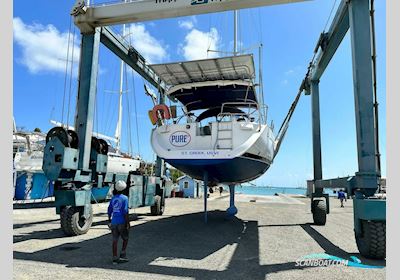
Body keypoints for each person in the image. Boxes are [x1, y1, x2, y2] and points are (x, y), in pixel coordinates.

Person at [108, 180, 130, 264]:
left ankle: (114, 258)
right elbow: (125, 211)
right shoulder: (125, 198)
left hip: (114, 222)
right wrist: (127, 222)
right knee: (125, 238)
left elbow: (109, 210)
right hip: (122, 222)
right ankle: (122, 255)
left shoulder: (113, 198)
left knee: (115, 240)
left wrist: (110, 220)